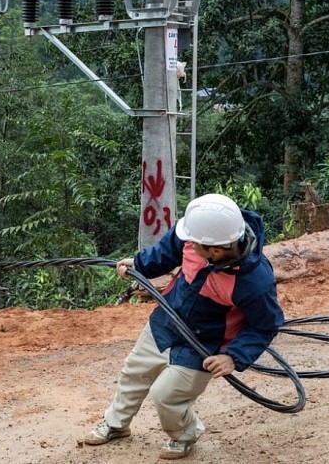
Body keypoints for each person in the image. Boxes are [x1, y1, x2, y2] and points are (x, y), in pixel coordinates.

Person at [82, 193, 284, 460]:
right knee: (134, 373)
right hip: (165, 322)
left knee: (166, 396)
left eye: (194, 242)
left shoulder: (255, 282)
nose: (188, 241)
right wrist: (140, 264)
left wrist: (233, 357)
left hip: (203, 345)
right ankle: (116, 424)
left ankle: (185, 434)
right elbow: (168, 250)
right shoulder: (199, 234)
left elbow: (264, 325)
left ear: (215, 250)